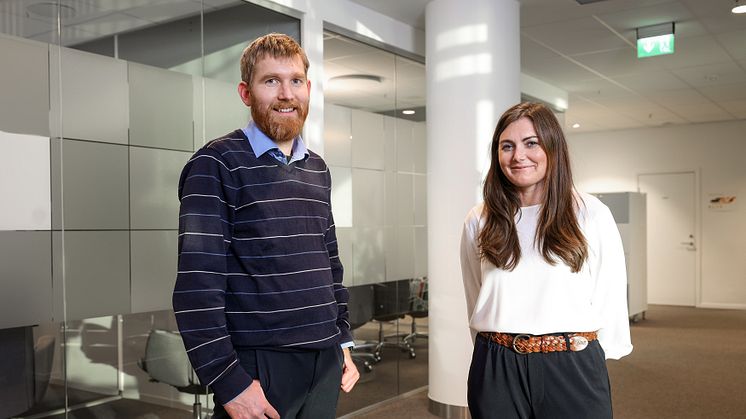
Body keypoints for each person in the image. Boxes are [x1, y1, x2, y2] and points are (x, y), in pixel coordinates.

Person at [173, 33, 359, 419]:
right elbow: (197, 288)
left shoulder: (318, 169)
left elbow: (329, 263)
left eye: (295, 81)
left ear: (308, 90)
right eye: (270, 81)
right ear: (246, 93)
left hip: (324, 361)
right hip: (259, 365)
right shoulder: (217, 164)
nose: (285, 94)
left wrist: (341, 340)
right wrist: (229, 383)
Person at [459, 102, 632, 419]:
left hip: (571, 362)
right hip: (496, 365)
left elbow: (610, 293)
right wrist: (492, 353)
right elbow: (475, 292)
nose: (518, 156)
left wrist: (584, 358)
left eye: (531, 143)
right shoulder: (480, 218)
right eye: (506, 146)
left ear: (553, 147)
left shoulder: (589, 213)